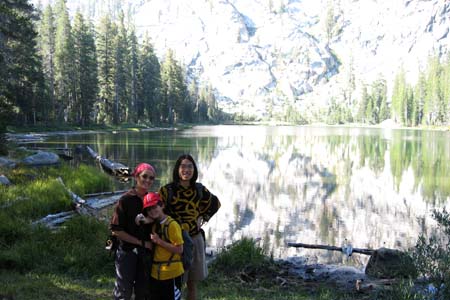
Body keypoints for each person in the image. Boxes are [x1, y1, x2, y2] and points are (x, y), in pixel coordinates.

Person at [159, 154, 221, 300]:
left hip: (194, 239)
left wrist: (203, 217)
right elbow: (155, 211)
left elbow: (215, 203)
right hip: (174, 243)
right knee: (175, 283)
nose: (186, 170)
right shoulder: (167, 191)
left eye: (190, 166)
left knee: (192, 283)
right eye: (183, 166)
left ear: (194, 169)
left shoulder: (199, 189)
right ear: (177, 169)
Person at [110, 162, 156, 300]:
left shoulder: (153, 201)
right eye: (144, 176)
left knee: (144, 292)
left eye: (151, 178)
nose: (147, 180)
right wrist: (141, 243)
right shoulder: (125, 200)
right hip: (127, 252)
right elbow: (116, 230)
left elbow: (161, 219)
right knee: (123, 292)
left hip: (146, 254)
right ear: (136, 177)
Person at [143, 192, 184, 300]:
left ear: (162, 205)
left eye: (154, 207)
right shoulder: (155, 224)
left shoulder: (172, 225)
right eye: (149, 209)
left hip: (171, 273)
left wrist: (159, 241)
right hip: (156, 273)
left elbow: (179, 249)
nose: (152, 211)